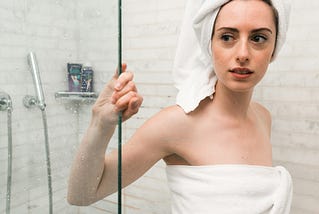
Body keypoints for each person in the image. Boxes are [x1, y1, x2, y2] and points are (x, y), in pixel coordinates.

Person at [68, 0, 293, 213]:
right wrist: (100, 125)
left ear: (274, 49)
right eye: (227, 37)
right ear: (209, 44)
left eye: (259, 38)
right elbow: (82, 195)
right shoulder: (177, 123)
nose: (243, 54)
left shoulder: (264, 117)